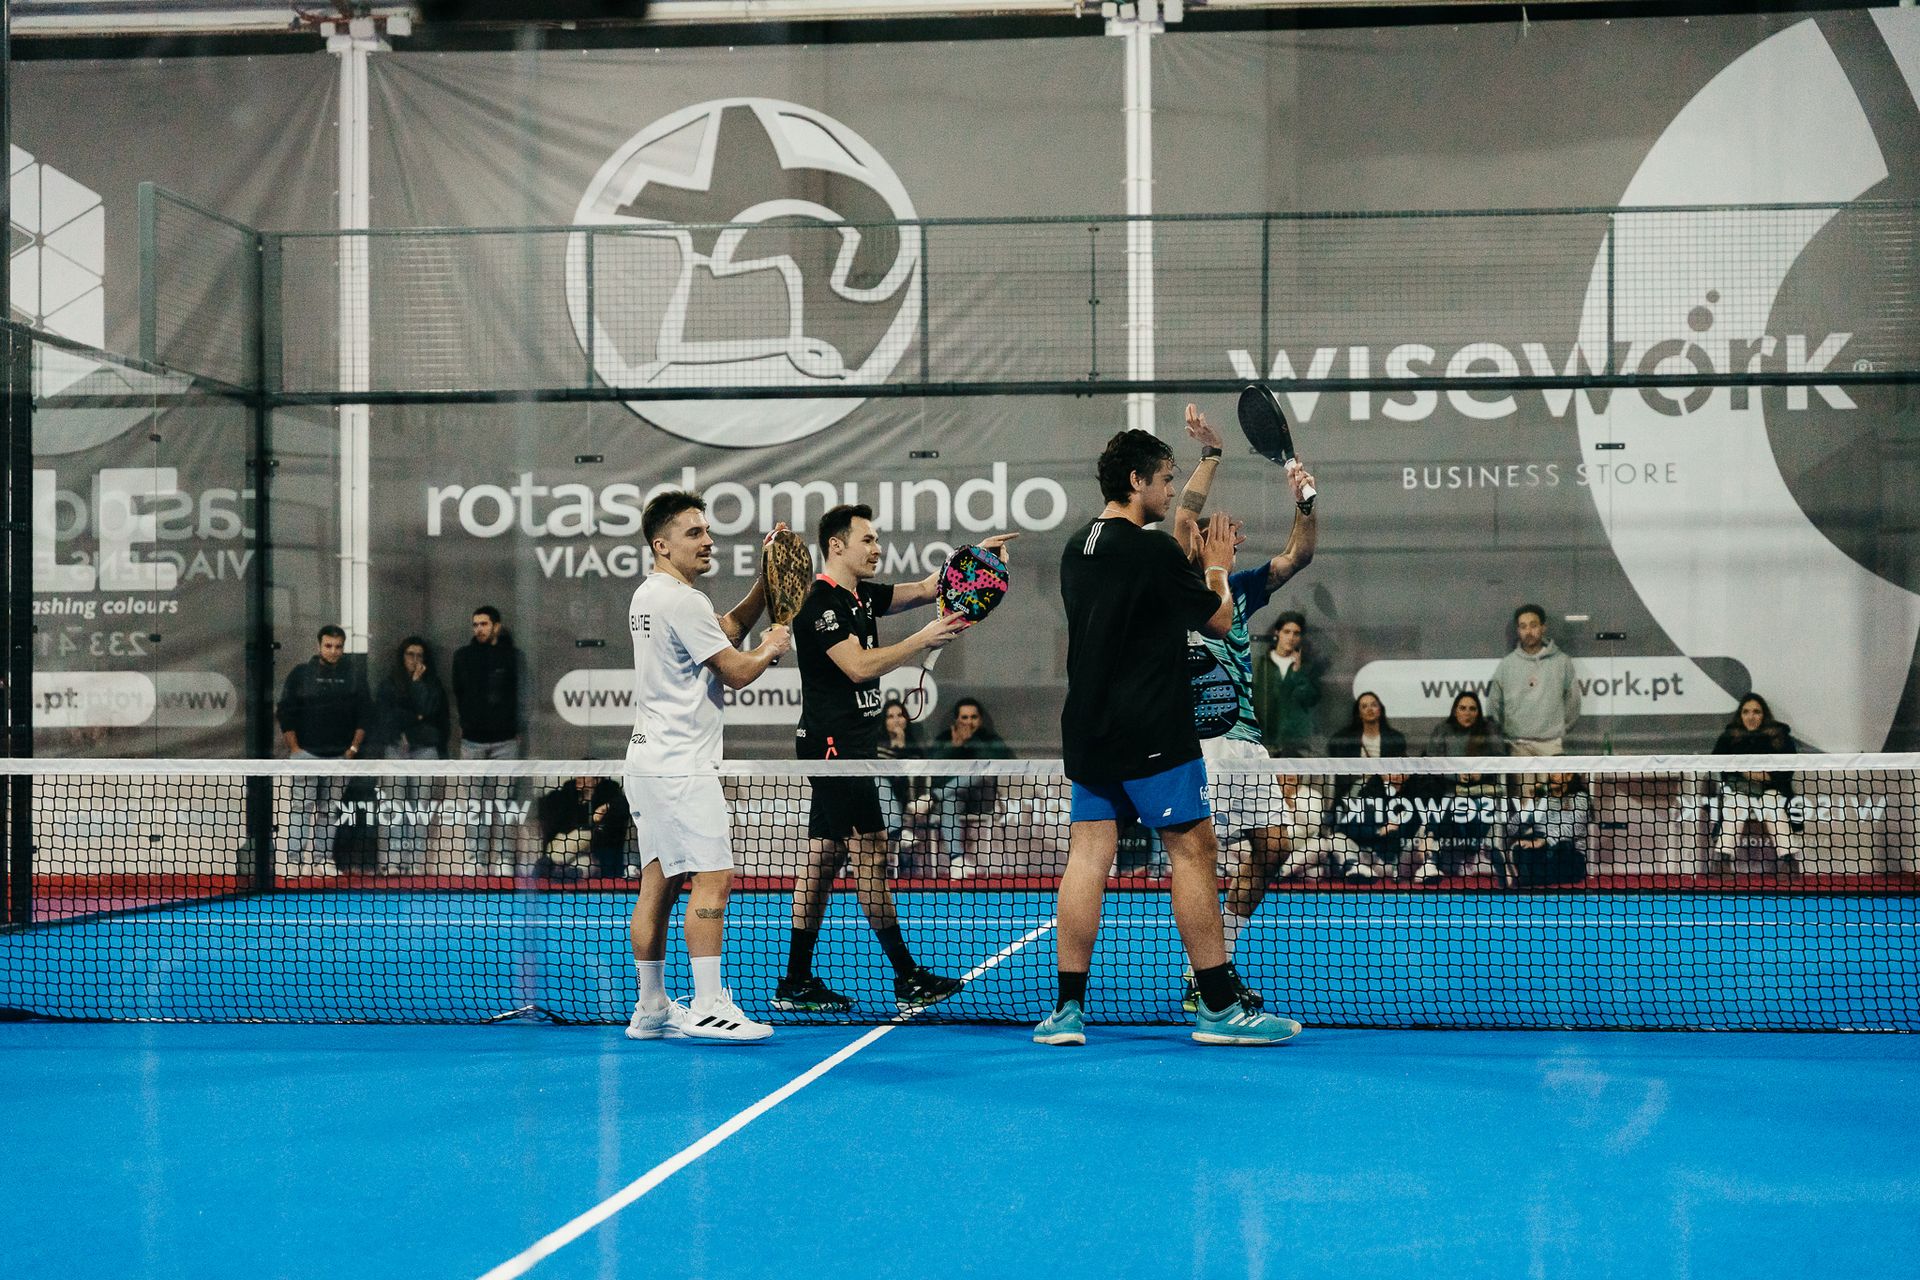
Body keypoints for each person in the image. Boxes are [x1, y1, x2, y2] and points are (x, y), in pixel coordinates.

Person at [1034, 427, 1300, 1048]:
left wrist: (1210, 462)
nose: (1171, 488)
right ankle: (1217, 1006)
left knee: (1088, 859)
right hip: (1151, 729)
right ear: (1137, 481)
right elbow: (1217, 616)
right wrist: (1216, 566)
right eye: (1165, 478)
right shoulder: (1150, 551)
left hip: (1089, 732)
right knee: (1194, 853)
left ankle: (1067, 1012)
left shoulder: (1077, 548)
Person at [775, 505, 1016, 1015]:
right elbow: (858, 667)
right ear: (836, 545)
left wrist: (975, 559)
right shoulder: (820, 601)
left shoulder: (861, 595)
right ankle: (907, 976)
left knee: (823, 860)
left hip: (851, 747)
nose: (877, 547)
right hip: (834, 750)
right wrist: (920, 639)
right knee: (873, 854)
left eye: (877, 539)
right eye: (867, 539)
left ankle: (795, 980)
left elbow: (930, 588)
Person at [624, 492, 791, 1043]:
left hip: (647, 762)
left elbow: (723, 628)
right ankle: (709, 1005)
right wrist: (772, 645)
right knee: (713, 879)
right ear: (662, 543)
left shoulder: (649, 595)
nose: (708, 541)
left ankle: (651, 1008)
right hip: (682, 767)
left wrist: (766, 588)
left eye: (707, 531)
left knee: (660, 881)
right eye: (695, 533)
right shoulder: (683, 602)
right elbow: (738, 670)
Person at [1167, 402, 1318, 1011]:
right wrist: (1212, 454)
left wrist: (1305, 502)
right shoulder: (1175, 584)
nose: (1210, 532)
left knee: (1275, 848)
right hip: (1193, 745)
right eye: (1204, 532)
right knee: (1199, 858)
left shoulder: (1243, 588)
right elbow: (1183, 518)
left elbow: (1298, 556)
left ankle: (1217, 952)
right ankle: (1207, 979)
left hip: (1246, 743)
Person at [276, 625, 370, 867]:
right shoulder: (300, 674)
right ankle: (293, 862)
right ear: (319, 646)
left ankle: (322, 859)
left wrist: (352, 750)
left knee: (330, 811)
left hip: (340, 756)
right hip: (305, 754)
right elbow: (286, 712)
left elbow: (364, 715)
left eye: (338, 647)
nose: (333, 651)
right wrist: (295, 749)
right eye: (328, 646)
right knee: (301, 808)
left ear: (343, 647)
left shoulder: (354, 677)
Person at [451, 605, 527, 872]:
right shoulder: (463, 657)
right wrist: (466, 724)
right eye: (475, 625)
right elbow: (459, 693)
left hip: (506, 743)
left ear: (496, 625)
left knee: (504, 804)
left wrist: (515, 728)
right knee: (475, 805)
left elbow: (521, 696)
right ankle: (475, 861)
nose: (479, 629)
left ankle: (504, 860)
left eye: (484, 624)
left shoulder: (514, 657)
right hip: (472, 743)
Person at [1412, 690, 1507, 884]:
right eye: (1463, 708)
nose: (1467, 713)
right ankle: (1431, 862)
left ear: (1478, 712)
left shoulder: (1489, 730)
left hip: (1482, 794)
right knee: (1439, 812)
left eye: (1473, 709)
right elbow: (1431, 762)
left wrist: (1482, 773)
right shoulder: (1443, 730)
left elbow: (1501, 759)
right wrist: (1454, 774)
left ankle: (1476, 854)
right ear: (1455, 710)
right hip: (1448, 792)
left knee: (1483, 809)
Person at [916, 697, 1014, 879]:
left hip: (981, 799)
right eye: (964, 717)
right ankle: (957, 860)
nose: (969, 722)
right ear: (956, 720)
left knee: (977, 773)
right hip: (954, 797)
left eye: (973, 717)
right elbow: (932, 766)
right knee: (950, 801)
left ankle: (934, 797)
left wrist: (971, 742)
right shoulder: (945, 739)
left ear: (981, 719)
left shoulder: (989, 739)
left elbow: (998, 761)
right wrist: (954, 746)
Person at [373, 635, 448, 870]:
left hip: (425, 751)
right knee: (394, 807)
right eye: (410, 654)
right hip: (395, 750)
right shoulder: (388, 684)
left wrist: (417, 684)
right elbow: (388, 717)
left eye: (419, 655)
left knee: (420, 808)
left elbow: (429, 710)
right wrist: (414, 716)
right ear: (402, 656)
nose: (414, 659)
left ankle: (415, 863)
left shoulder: (433, 685)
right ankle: (392, 862)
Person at [1707, 693, 1801, 875]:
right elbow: (1720, 764)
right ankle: (1722, 861)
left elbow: (1787, 769)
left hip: (1771, 790)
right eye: (1746, 712)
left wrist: (1767, 777)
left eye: (1756, 712)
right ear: (1740, 715)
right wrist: (1747, 773)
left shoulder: (1779, 737)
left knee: (1772, 805)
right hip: (1738, 790)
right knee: (1736, 806)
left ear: (1764, 714)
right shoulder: (1729, 737)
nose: (1751, 716)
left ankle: (1788, 862)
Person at [1484, 603, 1580, 756]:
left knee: (1554, 782)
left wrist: (1558, 730)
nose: (1528, 631)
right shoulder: (1507, 664)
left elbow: (1573, 702)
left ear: (1543, 627)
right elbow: (1494, 704)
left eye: (1533, 625)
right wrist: (1507, 734)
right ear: (1518, 630)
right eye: (1523, 626)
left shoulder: (1562, 662)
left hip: (1551, 744)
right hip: (1517, 745)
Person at [1330, 771, 1426, 882]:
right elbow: (1347, 828)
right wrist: (1380, 831)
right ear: (1380, 773)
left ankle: (1428, 867)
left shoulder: (1416, 796)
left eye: (1401, 771)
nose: (1396, 775)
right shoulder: (1367, 794)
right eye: (1390, 771)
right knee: (1336, 838)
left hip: (1400, 863)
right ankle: (1354, 867)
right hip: (1369, 859)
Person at [536, 775, 632, 881]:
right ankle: (562, 871)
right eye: (578, 775)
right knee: (584, 862)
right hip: (569, 847)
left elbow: (623, 805)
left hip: (596, 848)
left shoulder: (611, 796)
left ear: (597, 780)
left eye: (585, 776)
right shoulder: (566, 797)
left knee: (583, 837)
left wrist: (606, 806)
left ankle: (549, 864)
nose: (579, 778)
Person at [1502, 772, 1590, 886]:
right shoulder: (1542, 799)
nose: (1553, 775)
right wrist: (1529, 803)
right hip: (1539, 850)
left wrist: (1544, 841)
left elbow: (1572, 827)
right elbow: (1511, 829)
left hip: (1568, 854)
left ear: (1569, 776)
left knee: (1562, 846)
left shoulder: (1580, 798)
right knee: (1520, 846)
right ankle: (1527, 880)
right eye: (1551, 771)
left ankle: (1531, 880)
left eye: (1557, 772)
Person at [1252, 612, 1320, 758]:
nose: (1291, 637)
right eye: (1287, 632)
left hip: (1297, 744)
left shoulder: (1307, 667)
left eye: (1296, 633)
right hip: (1265, 741)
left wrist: (1297, 672)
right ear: (1277, 633)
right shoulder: (1260, 665)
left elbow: (1310, 699)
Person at [874, 696, 930, 869]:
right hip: (876, 802)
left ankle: (899, 832)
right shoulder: (875, 745)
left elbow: (913, 775)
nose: (896, 720)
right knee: (880, 781)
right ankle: (900, 831)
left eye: (900, 715)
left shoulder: (916, 749)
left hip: (909, 799)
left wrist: (903, 745)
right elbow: (886, 772)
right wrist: (896, 746)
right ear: (884, 722)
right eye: (890, 716)